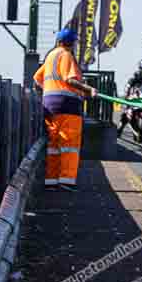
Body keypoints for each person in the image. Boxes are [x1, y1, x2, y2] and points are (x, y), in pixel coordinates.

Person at [33, 28, 98, 192]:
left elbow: (37, 80)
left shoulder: (50, 57)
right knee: (69, 144)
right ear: (71, 43)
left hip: (49, 105)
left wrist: (49, 91)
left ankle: (51, 181)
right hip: (67, 105)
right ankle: (67, 180)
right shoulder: (66, 55)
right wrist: (88, 89)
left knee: (54, 144)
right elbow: (70, 80)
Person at [117, 58, 142, 137]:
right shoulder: (136, 75)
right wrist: (127, 95)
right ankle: (120, 128)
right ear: (140, 68)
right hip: (136, 96)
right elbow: (128, 86)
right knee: (126, 111)